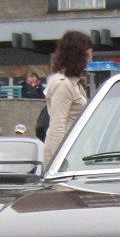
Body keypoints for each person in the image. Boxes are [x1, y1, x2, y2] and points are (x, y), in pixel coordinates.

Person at [43, 30, 93, 166]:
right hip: (65, 156)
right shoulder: (63, 84)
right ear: (78, 55)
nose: (90, 58)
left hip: (73, 152)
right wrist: (57, 164)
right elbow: (57, 126)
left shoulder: (74, 83)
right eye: (88, 53)